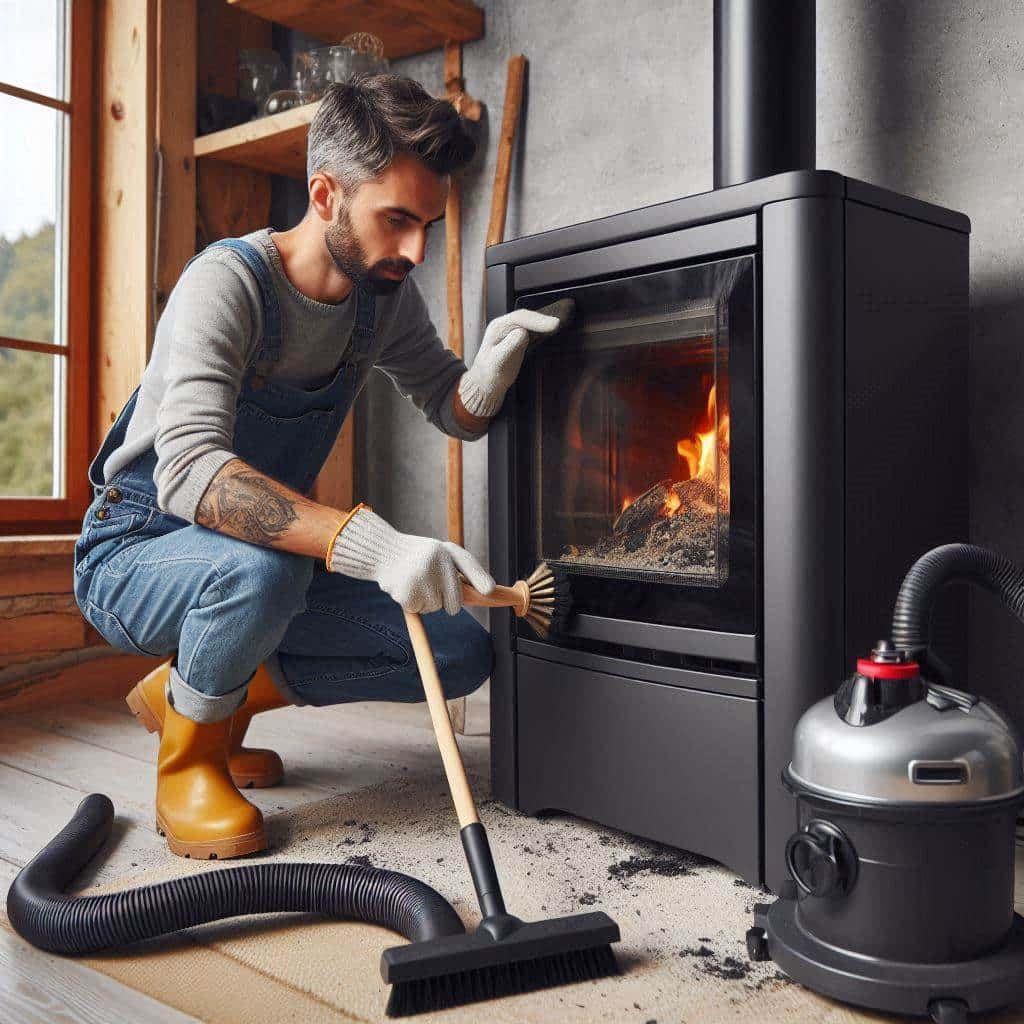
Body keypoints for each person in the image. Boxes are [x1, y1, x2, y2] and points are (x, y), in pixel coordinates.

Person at [72, 75, 570, 860]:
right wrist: (379, 546)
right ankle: (189, 763)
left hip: (266, 562)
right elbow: (192, 474)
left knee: (459, 653)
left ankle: (200, 698)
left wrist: (491, 371)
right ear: (326, 194)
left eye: (428, 225)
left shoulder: (384, 298)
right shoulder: (227, 285)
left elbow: (450, 408)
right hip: (135, 550)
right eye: (396, 220)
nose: (413, 249)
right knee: (258, 577)